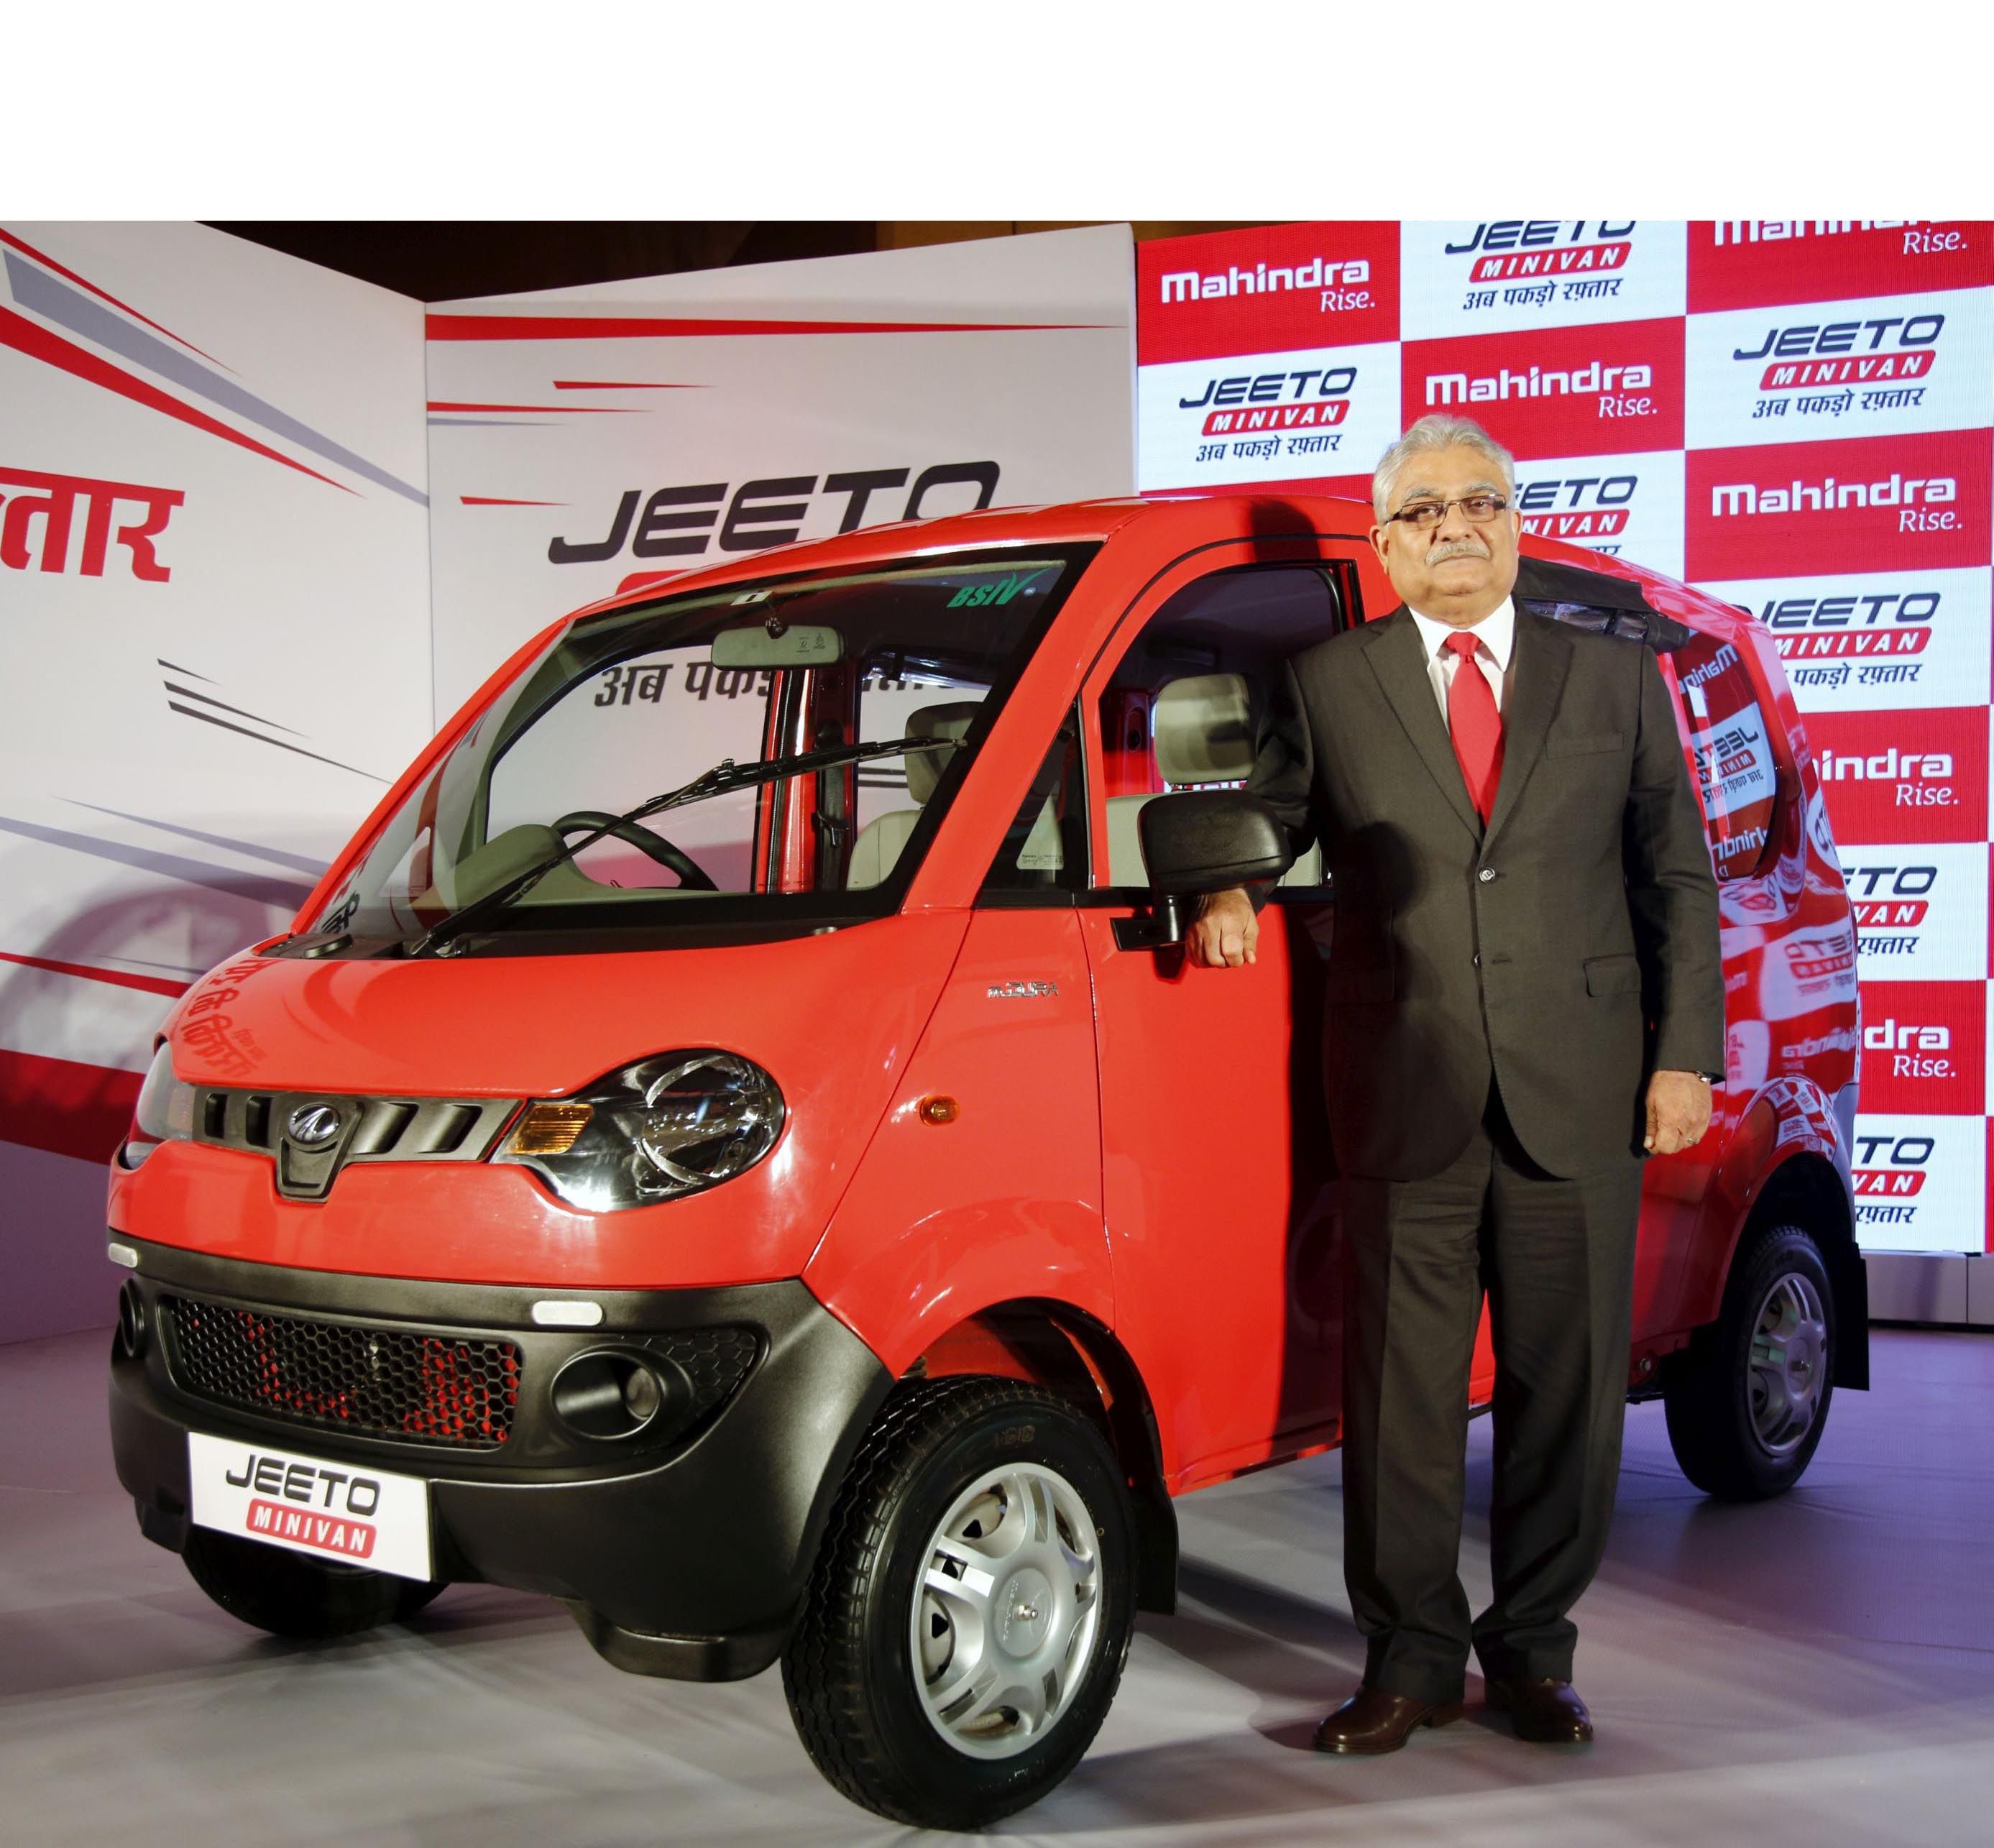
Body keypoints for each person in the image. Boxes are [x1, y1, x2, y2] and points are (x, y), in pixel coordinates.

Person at [1190, 413, 1724, 1752]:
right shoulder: (1329, 681)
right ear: (1384, 546)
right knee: (1401, 1404)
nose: (1454, 528)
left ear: (1516, 524)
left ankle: (1533, 1653)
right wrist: (1229, 886)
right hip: (1403, 1086)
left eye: (1478, 502)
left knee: (1565, 1396)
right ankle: (1409, 1661)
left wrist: (1682, 1055)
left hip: (1581, 1088)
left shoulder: (1613, 678)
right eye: (1422, 510)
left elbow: (1674, 874)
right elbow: (1271, 815)